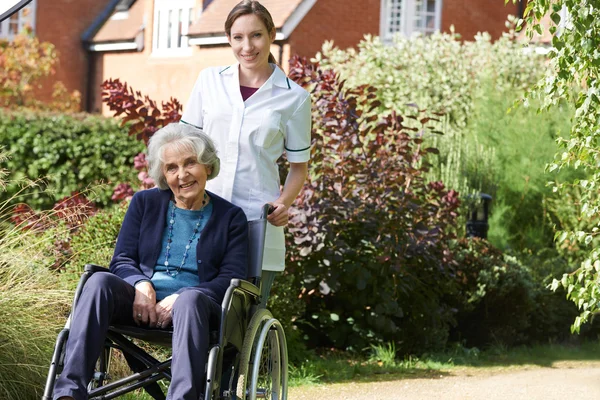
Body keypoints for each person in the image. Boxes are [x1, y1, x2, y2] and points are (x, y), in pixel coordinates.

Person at [53, 123, 248, 400]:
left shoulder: (231, 218)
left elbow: (231, 278)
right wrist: (141, 285)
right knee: (97, 282)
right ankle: (69, 393)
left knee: (190, 301)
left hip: (196, 310)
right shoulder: (145, 203)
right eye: (171, 167)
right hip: (138, 302)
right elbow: (122, 259)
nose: (182, 175)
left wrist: (181, 296)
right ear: (163, 174)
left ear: (206, 165)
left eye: (190, 163)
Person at [180, 0, 311, 305]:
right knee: (190, 298)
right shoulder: (209, 81)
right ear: (229, 39)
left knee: (242, 312)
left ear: (271, 35)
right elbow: (184, 144)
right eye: (238, 37)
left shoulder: (295, 99)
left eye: (256, 35)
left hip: (255, 219)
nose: (247, 46)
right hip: (201, 211)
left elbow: (298, 167)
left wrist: (283, 202)